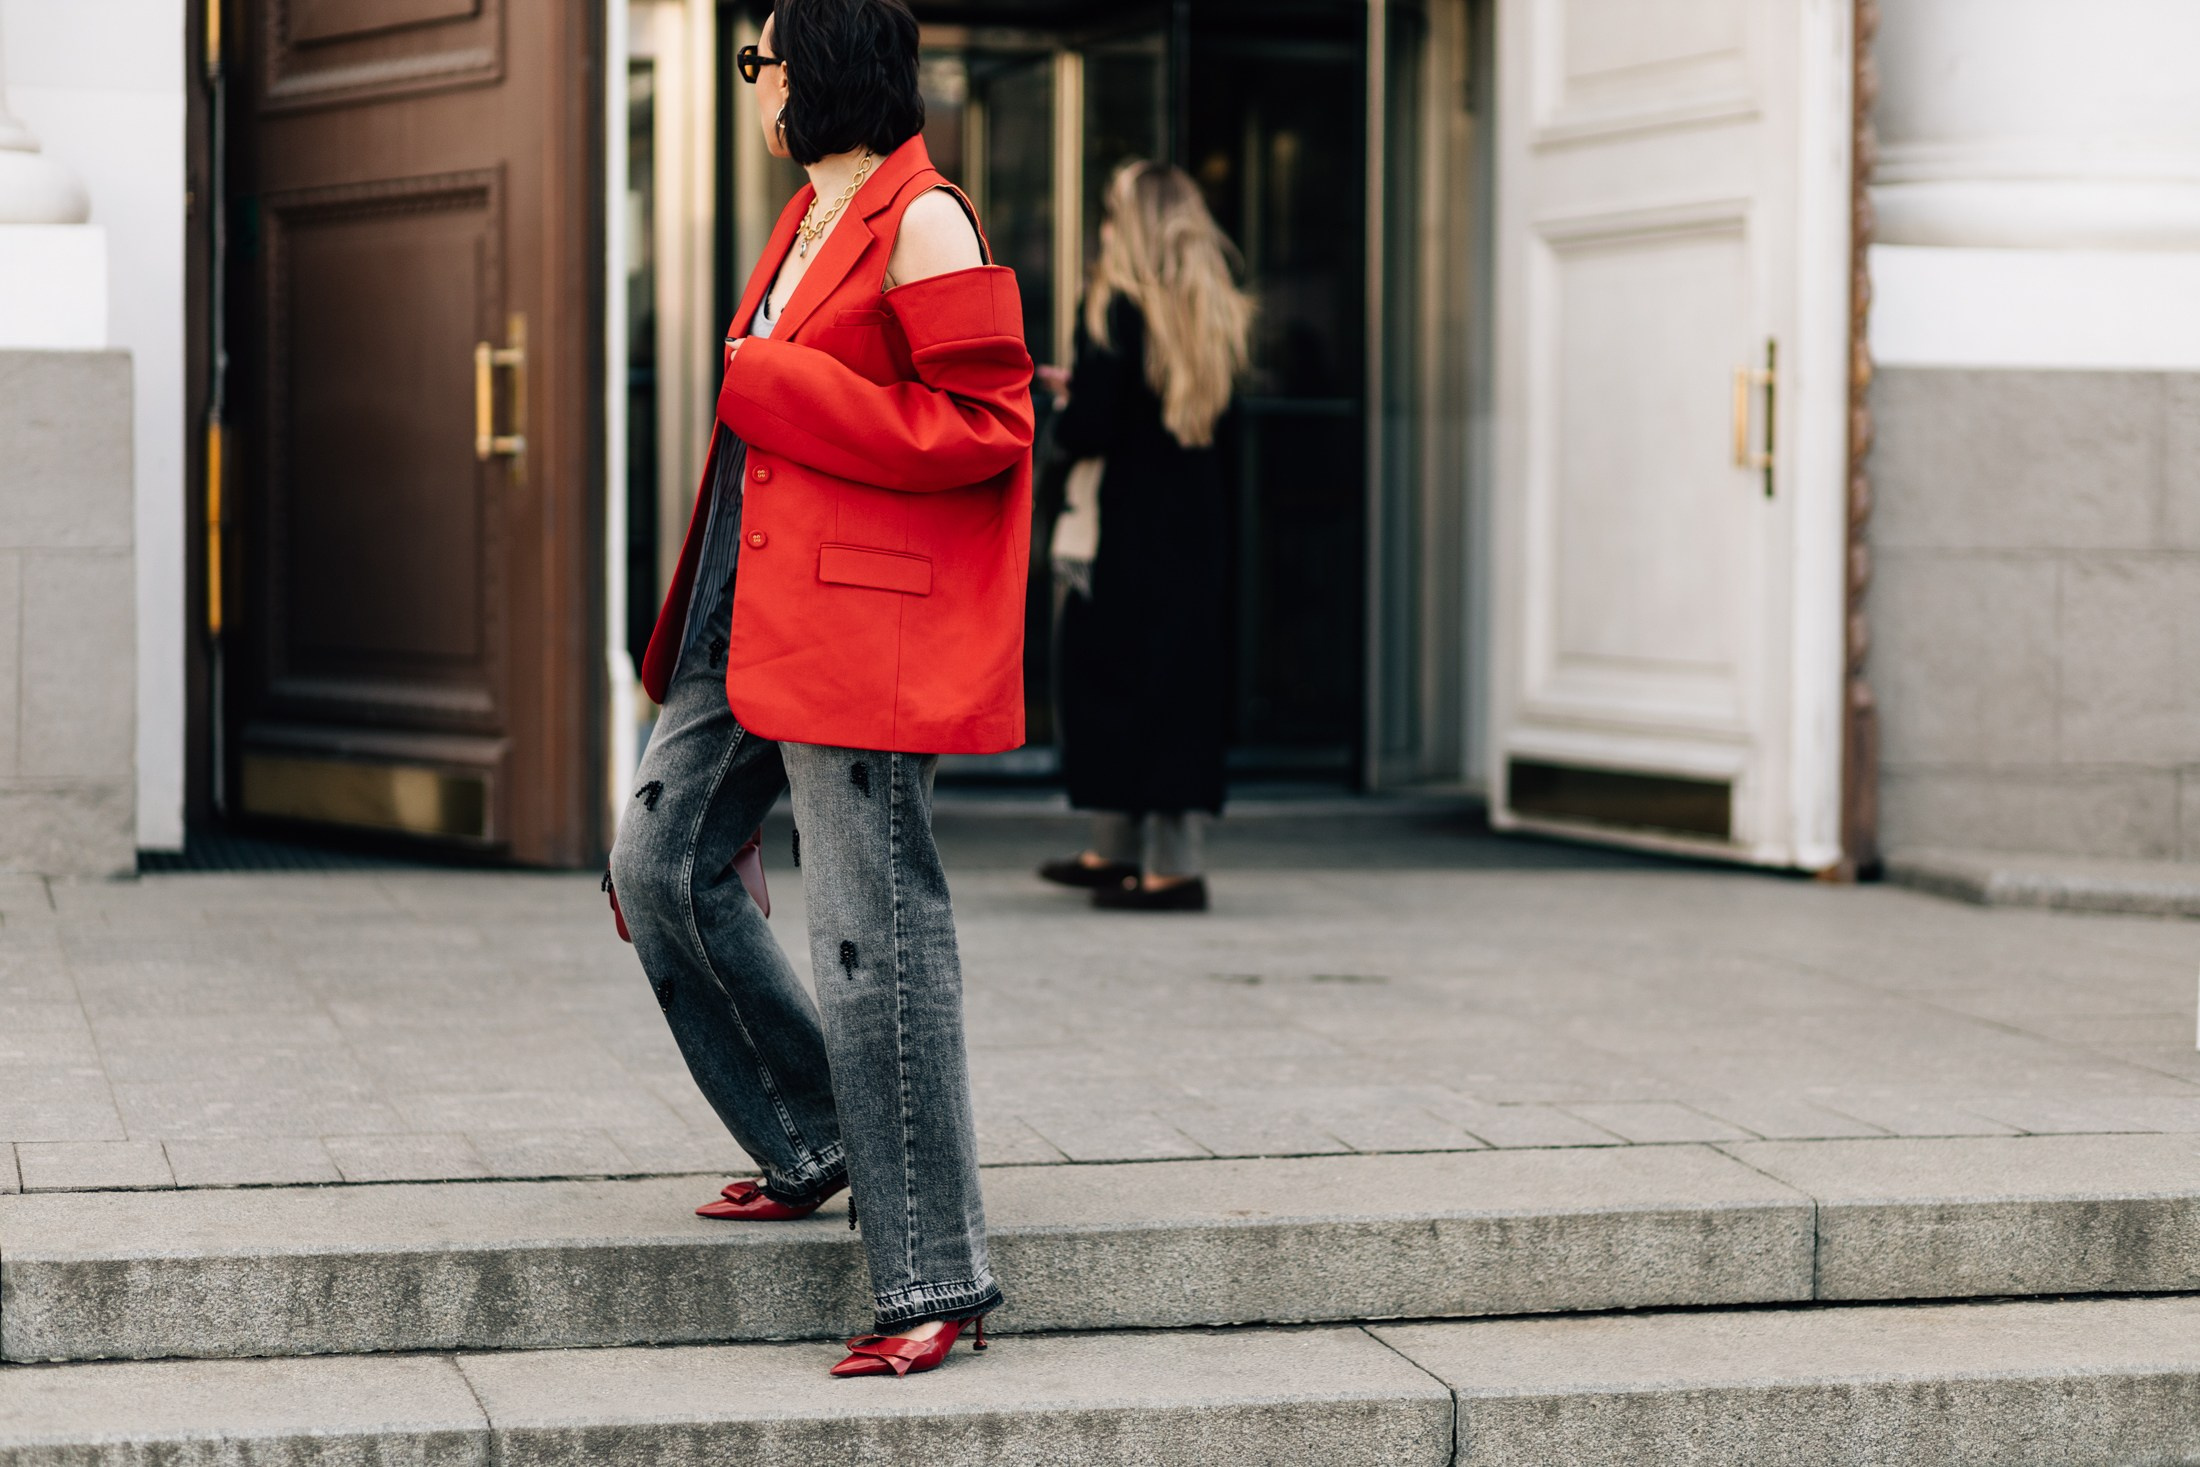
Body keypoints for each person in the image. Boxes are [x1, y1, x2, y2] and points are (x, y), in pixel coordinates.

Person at [605, 0, 1034, 1380]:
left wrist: (787, 389)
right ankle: (810, 1132)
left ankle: (935, 1273)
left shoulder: (927, 218)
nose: (752, 84)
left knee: (872, 938)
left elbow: (992, 421)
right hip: (745, 603)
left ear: (819, 67)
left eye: (761, 61)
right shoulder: (807, 214)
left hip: (856, 623)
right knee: (656, 860)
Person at [1037, 161, 1253, 913]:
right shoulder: (1215, 307)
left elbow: (1092, 427)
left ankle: (1155, 869)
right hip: (1193, 525)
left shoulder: (1112, 303)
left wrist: (1068, 408)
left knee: (1102, 676)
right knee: (1175, 684)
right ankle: (1144, 853)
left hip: (1122, 527)